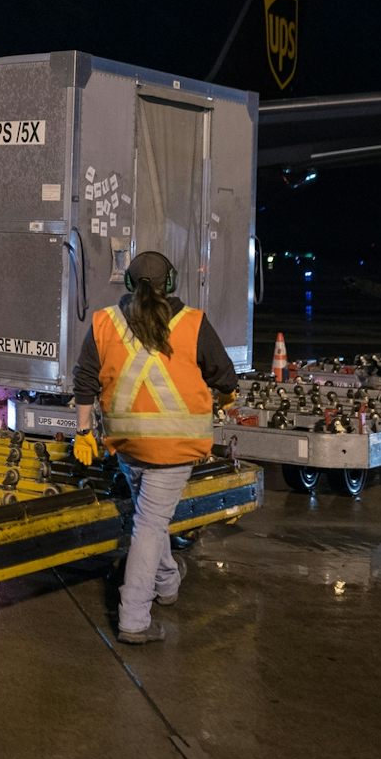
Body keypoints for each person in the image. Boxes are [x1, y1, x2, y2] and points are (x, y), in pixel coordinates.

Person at [73, 250, 237, 645]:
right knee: (149, 525)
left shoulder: (104, 323)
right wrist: (229, 396)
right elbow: (223, 374)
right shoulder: (192, 323)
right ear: (173, 282)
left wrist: (82, 433)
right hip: (174, 449)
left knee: (150, 516)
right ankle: (134, 619)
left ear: (128, 283)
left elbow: (85, 381)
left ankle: (166, 581)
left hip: (129, 446)